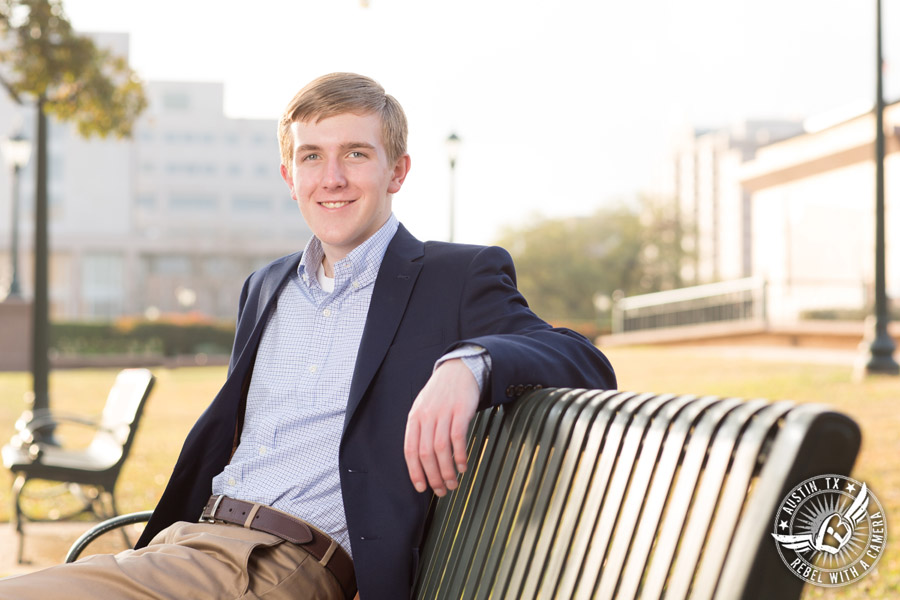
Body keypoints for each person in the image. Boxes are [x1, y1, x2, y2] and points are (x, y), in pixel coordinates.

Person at [0, 73, 615, 599]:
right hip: (188, 543)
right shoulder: (265, 286)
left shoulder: (454, 277)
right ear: (289, 176)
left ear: (397, 170)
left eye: (355, 153)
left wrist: (470, 362)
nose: (332, 177)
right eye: (311, 156)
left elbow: (581, 357)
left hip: (278, 561)